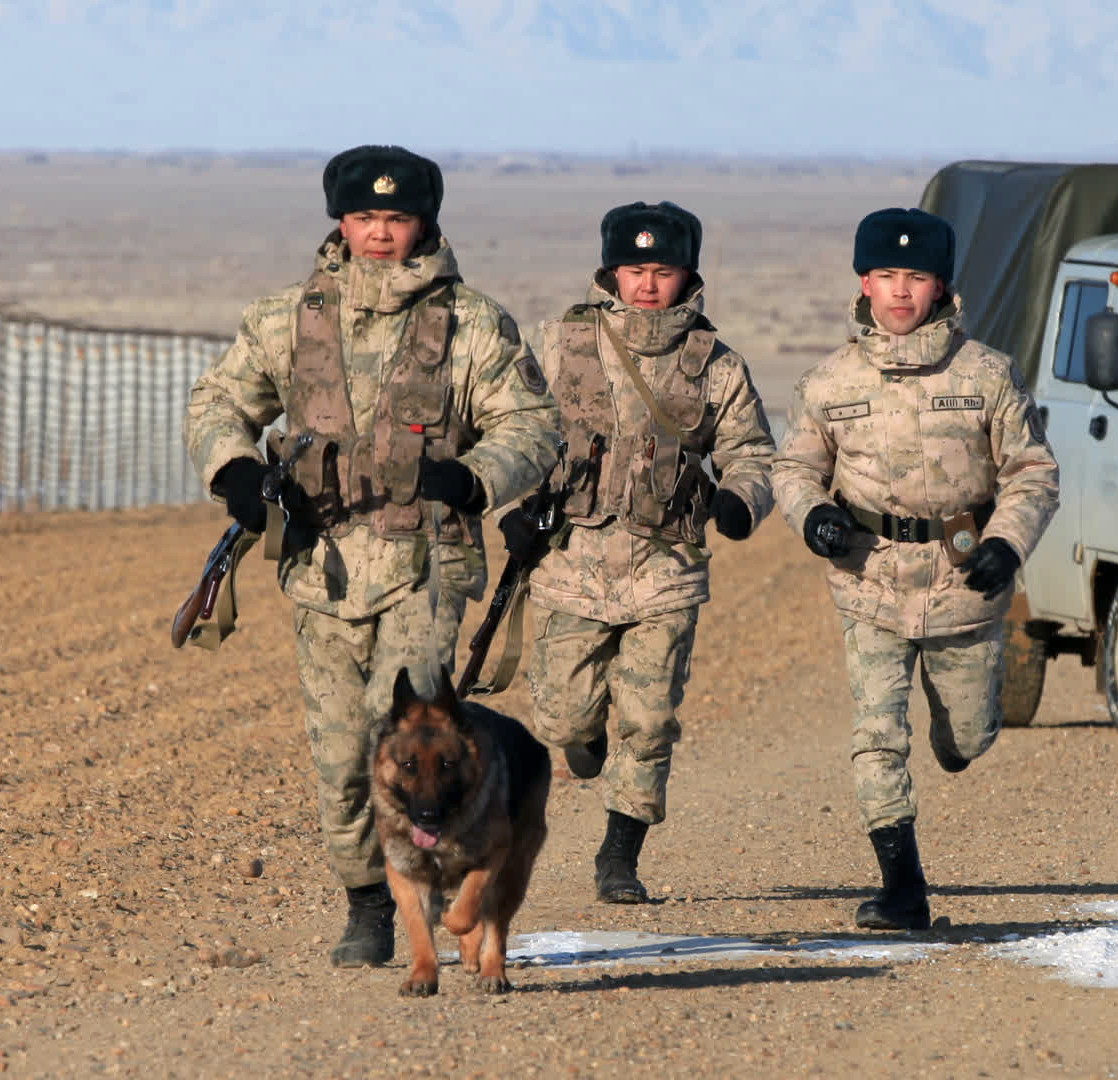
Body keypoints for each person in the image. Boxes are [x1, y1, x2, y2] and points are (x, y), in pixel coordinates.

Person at [183, 144, 563, 967]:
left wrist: (472, 477)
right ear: (340, 223)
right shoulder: (288, 316)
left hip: (424, 567)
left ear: (424, 221)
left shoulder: (471, 323)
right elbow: (217, 400)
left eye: (396, 218)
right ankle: (367, 904)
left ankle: (442, 881)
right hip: (321, 571)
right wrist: (236, 469)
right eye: (364, 218)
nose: (380, 234)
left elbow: (533, 425)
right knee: (339, 756)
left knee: (398, 733)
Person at [770, 207, 1060, 930]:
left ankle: (959, 730)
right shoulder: (829, 381)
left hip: (964, 577)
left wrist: (1008, 543)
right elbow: (796, 467)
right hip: (869, 576)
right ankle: (903, 886)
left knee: (966, 738)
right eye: (888, 276)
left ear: (941, 287)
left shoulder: (988, 374)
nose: (901, 293)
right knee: (877, 734)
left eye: (917, 278)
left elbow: (1032, 471)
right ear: (864, 282)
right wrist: (814, 516)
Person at [505, 201, 776, 904]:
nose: (648, 285)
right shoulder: (558, 343)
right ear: (611, 272)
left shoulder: (716, 365)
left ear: (687, 273)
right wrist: (513, 507)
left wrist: (739, 501)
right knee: (562, 718)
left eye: (662, 270)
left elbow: (752, 454)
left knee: (649, 720)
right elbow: (511, 428)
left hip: (666, 568)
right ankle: (582, 739)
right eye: (635, 269)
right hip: (570, 564)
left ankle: (619, 856)